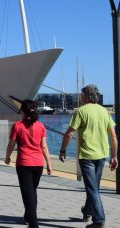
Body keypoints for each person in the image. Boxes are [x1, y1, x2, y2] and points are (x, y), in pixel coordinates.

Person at [59, 84, 118, 228]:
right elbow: (113, 135)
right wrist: (114, 156)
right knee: (94, 187)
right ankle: (87, 211)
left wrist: (62, 150)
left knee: (92, 188)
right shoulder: (104, 111)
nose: (80, 97)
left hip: (87, 155)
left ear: (85, 96)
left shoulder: (81, 111)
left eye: (81, 95)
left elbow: (70, 133)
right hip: (102, 154)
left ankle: (99, 221)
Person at [5, 99, 52, 228]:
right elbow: (44, 147)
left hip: (24, 164)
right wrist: (49, 164)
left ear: (22, 111)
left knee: (28, 194)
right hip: (38, 164)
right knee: (32, 191)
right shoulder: (41, 126)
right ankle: (28, 216)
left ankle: (34, 224)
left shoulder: (17, 126)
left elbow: (10, 145)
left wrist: (7, 157)